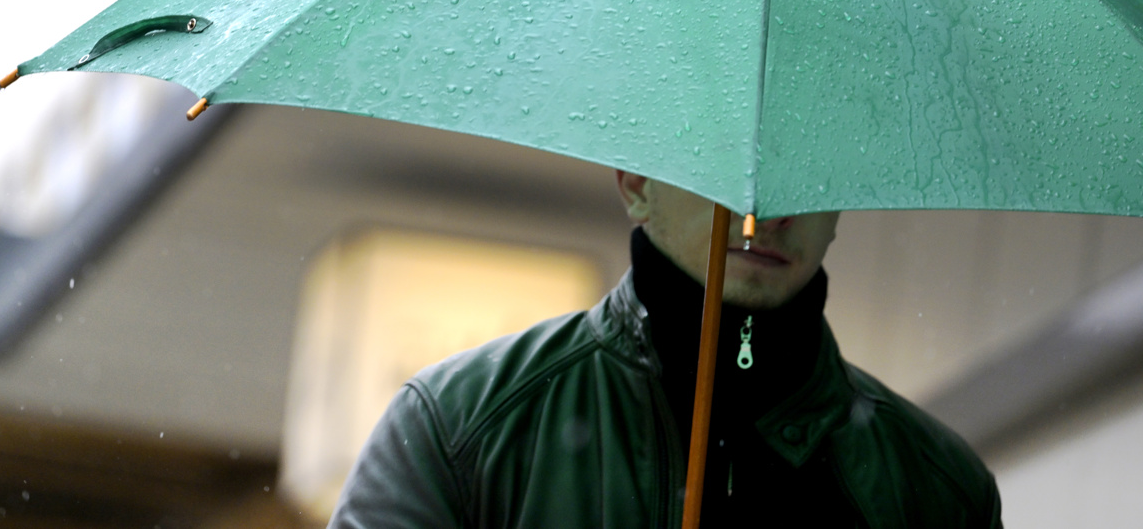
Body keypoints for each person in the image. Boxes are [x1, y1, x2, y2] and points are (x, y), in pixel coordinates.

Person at [328, 172, 1002, 528]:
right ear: (635, 183)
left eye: (809, 173)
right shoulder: (461, 427)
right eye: (728, 169)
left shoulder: (937, 487)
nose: (765, 211)